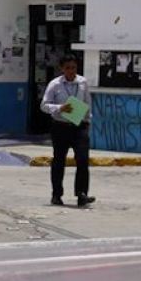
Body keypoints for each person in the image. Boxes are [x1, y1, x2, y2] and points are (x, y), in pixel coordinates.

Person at [41, 57, 94, 208]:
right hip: (60, 126)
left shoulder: (82, 83)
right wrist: (59, 108)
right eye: (68, 68)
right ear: (62, 69)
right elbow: (44, 105)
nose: (71, 71)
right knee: (59, 161)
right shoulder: (55, 84)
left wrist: (87, 120)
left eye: (74, 68)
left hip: (79, 126)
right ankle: (56, 194)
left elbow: (87, 102)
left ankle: (81, 194)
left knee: (83, 160)